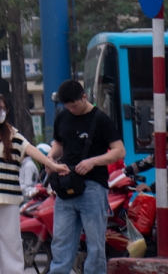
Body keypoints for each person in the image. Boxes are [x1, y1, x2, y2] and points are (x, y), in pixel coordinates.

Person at [0, 92, 67, 274]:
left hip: (9, 197)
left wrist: (51, 164)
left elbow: (31, 150)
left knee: (12, 244)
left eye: (4, 108)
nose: (2, 112)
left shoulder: (11, 134)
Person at [48, 80, 125, 274]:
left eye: (74, 105)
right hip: (66, 186)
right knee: (60, 241)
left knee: (95, 244)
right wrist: (50, 159)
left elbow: (119, 151)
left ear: (84, 97)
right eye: (67, 106)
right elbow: (58, 145)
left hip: (93, 187)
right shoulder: (62, 116)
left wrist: (93, 161)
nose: (71, 110)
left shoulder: (101, 119)